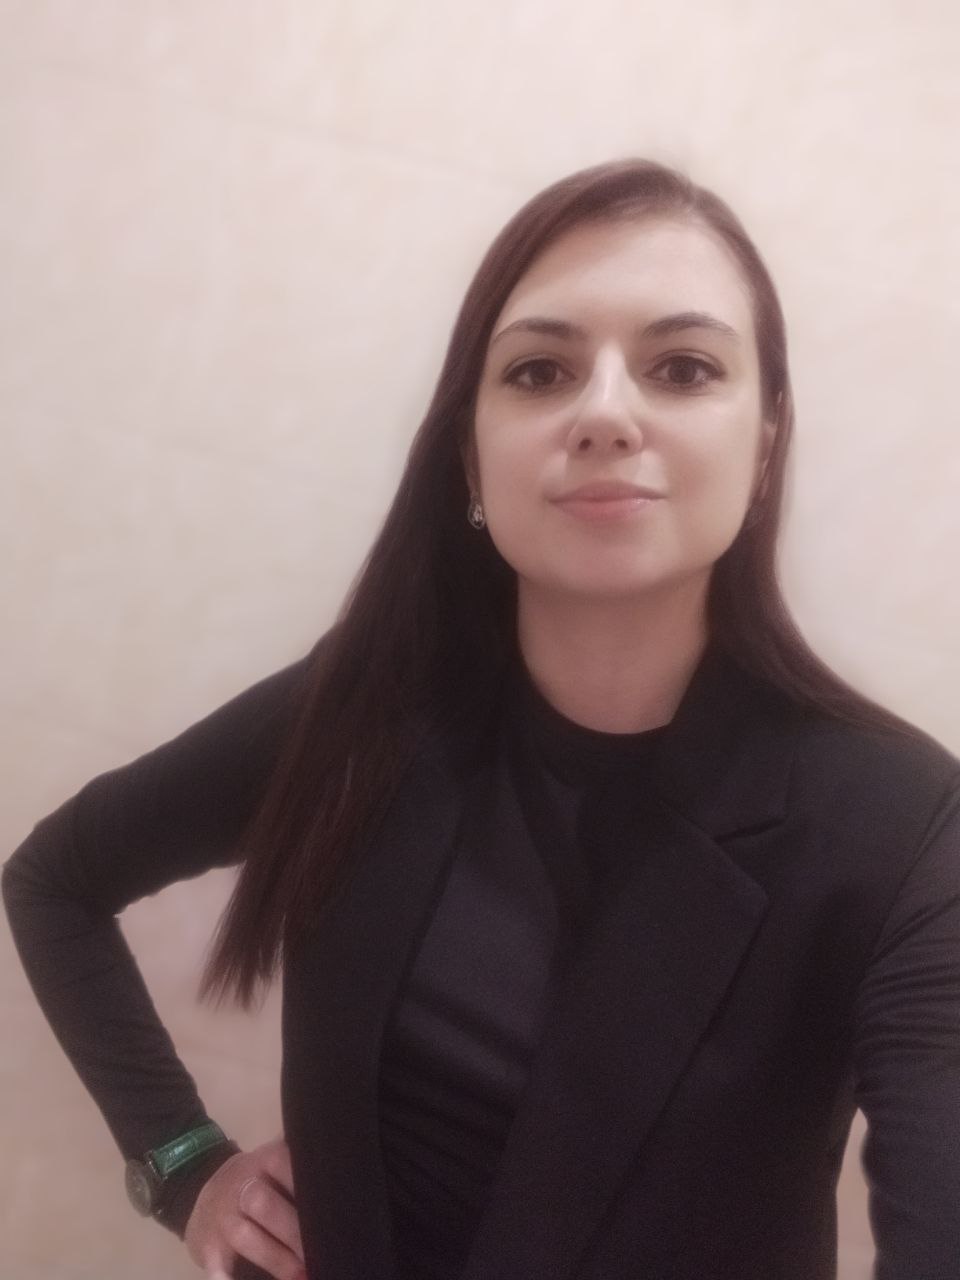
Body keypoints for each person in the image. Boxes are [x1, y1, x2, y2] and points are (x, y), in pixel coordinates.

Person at [4, 158, 959, 1280]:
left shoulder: (905, 830)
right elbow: (55, 880)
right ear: (470, 451)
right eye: (542, 370)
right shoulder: (365, 707)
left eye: (684, 367)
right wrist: (180, 1163)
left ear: (765, 443)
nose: (605, 413)